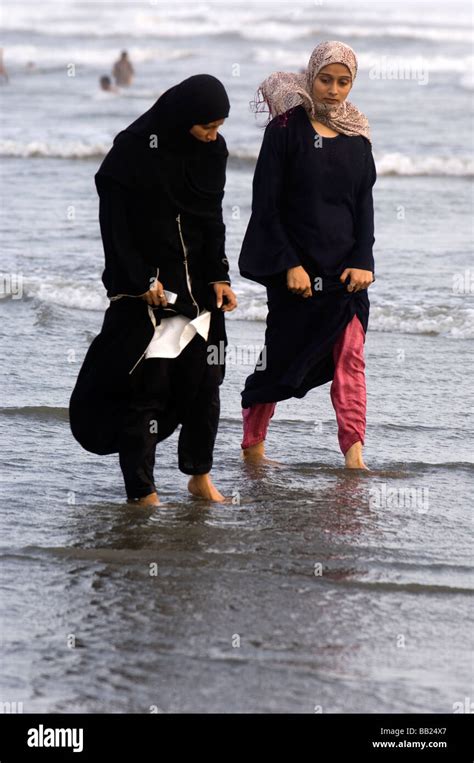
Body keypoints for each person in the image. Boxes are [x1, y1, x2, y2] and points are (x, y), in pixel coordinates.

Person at [69, 74, 238, 506]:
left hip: (199, 292)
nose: (213, 136)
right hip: (152, 294)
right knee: (147, 390)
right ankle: (142, 492)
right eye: (207, 126)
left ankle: (199, 476)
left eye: (219, 126)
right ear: (183, 117)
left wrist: (220, 274)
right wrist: (139, 278)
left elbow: (211, 217)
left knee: (207, 384)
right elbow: (115, 225)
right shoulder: (134, 150)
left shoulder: (211, 151)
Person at [238, 41, 376, 470]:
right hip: (295, 275)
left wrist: (364, 261)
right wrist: (287, 265)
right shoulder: (285, 129)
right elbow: (267, 204)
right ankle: (253, 447)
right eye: (326, 80)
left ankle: (354, 456)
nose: (334, 90)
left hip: (346, 276)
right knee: (279, 360)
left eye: (343, 81)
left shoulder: (358, 137)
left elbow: (364, 207)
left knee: (350, 359)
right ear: (311, 76)